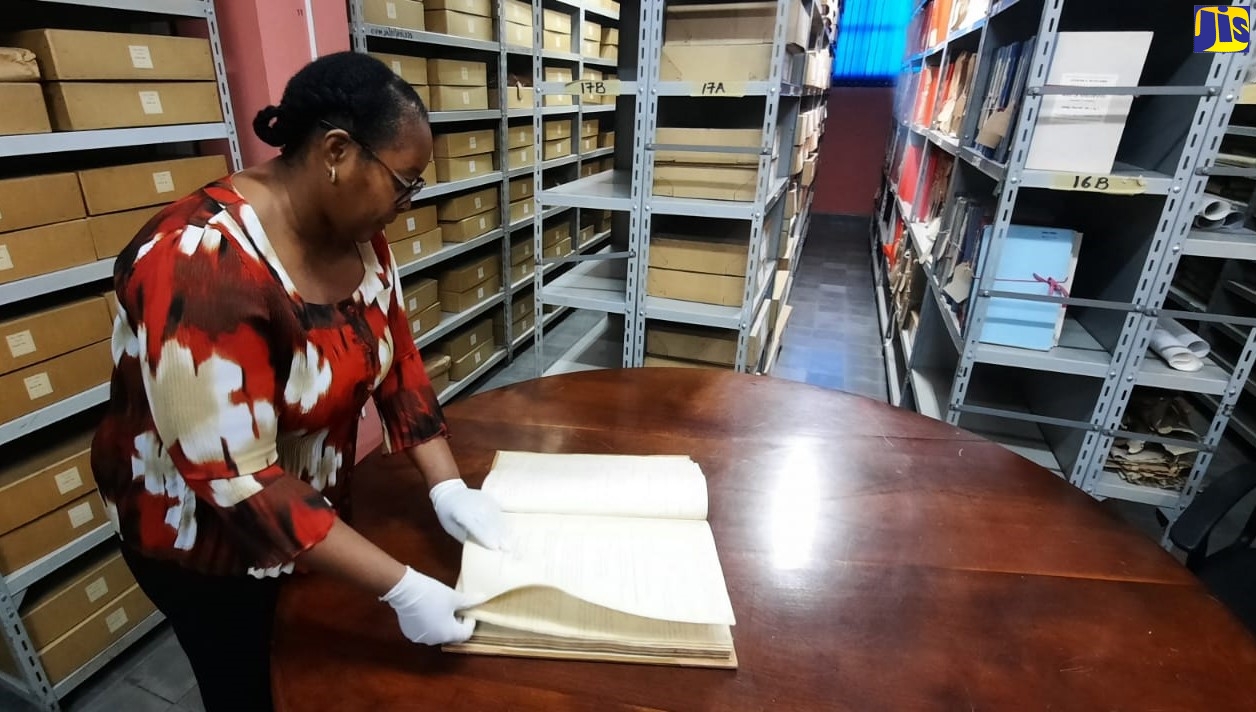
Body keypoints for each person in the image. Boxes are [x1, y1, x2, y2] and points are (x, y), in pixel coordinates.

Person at [90, 52, 504, 712]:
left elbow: (395, 358)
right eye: (404, 184)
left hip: (303, 514)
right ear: (337, 152)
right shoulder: (200, 264)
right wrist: (403, 587)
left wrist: (447, 484)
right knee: (255, 687)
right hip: (205, 541)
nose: (406, 204)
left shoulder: (357, 231)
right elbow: (236, 479)